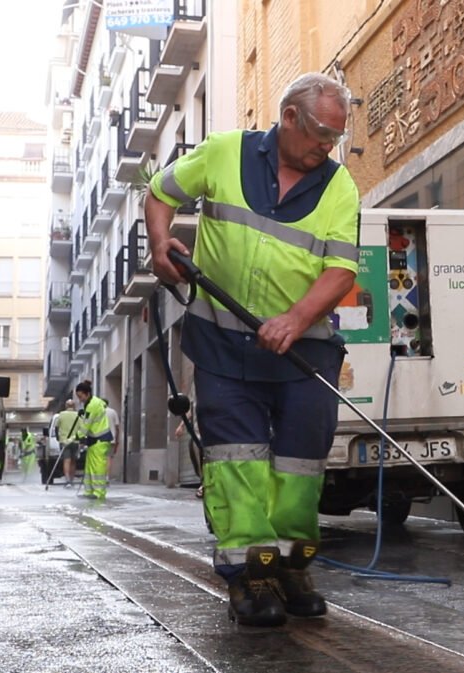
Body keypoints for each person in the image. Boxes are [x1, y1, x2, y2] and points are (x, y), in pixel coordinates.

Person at [146, 72, 360, 627]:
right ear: (289, 117)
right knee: (237, 462)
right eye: (319, 133)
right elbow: (160, 193)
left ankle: (291, 567)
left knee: (299, 468)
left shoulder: (340, 187)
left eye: (335, 137)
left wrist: (295, 317)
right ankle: (249, 577)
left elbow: (341, 270)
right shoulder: (223, 153)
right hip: (224, 349)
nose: (326, 146)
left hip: (303, 355)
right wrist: (159, 244)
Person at [73, 380, 113, 500]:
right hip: (95, 440)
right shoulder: (93, 402)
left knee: (98, 467)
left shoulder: (92, 405)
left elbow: (85, 426)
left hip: (100, 440)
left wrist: (76, 436)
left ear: (87, 394)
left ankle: (99, 492)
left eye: (81, 397)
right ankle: (89, 491)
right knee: (90, 467)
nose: (80, 400)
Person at [55, 399, 82, 487]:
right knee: (73, 461)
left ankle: (67, 480)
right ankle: (71, 479)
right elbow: (82, 428)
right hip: (75, 441)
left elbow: (56, 427)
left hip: (64, 441)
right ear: (74, 406)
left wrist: (58, 438)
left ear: (66, 406)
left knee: (66, 460)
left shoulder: (61, 415)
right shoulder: (78, 415)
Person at [104, 404, 121, 483]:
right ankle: (107, 477)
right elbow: (117, 427)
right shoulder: (113, 412)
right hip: (111, 439)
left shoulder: (96, 412)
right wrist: (117, 440)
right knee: (108, 458)